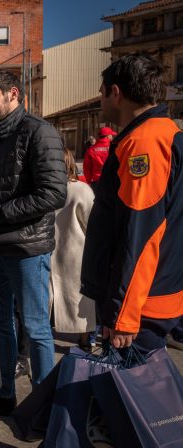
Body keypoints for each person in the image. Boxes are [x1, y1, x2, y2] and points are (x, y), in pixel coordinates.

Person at [81, 53, 183, 356]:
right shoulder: (160, 134)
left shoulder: (145, 143)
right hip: (146, 298)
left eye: (102, 92)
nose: (100, 100)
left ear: (116, 92)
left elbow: (141, 234)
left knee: (137, 398)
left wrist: (124, 314)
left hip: (140, 307)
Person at [0, 70, 67, 416]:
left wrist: (0, 214)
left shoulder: (39, 131)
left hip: (28, 247)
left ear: (13, 94)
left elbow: (53, 192)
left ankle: (44, 405)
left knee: (34, 326)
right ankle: (4, 395)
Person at [51, 146, 96, 351]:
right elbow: (92, 224)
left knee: (54, 295)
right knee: (80, 301)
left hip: (51, 249)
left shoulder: (45, 189)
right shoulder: (82, 190)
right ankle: (85, 338)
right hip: (77, 251)